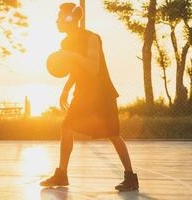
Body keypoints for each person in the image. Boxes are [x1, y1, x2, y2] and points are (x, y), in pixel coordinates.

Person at [40, 2, 139, 192]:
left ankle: (130, 177)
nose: (56, 21)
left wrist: (70, 55)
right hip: (83, 93)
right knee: (67, 128)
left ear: (69, 19)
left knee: (113, 134)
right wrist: (66, 89)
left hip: (102, 93)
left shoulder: (92, 38)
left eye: (59, 17)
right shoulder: (66, 43)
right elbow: (76, 70)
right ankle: (62, 173)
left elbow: (93, 68)